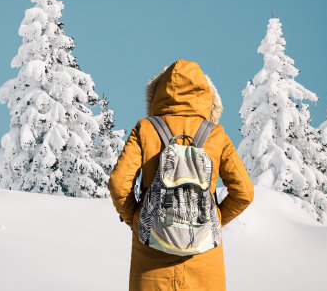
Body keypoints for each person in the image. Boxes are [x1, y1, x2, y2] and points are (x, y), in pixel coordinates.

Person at [109, 59, 255, 291]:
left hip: (150, 264)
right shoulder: (216, 135)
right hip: (205, 266)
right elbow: (245, 193)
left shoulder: (145, 129)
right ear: (207, 96)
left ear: (158, 94)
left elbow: (118, 185)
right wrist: (212, 221)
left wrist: (137, 221)